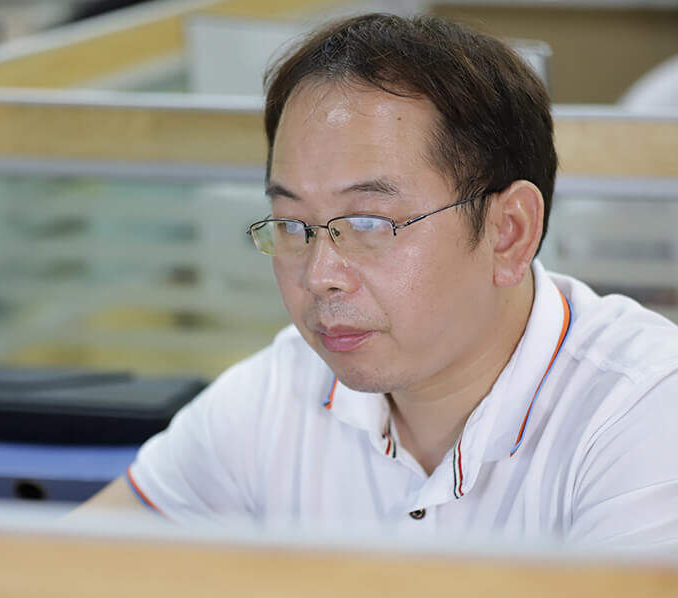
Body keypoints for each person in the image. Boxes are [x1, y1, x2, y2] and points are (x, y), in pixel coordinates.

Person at [73, 13, 678, 547]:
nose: (320, 277)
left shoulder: (641, 411)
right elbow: (67, 576)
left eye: (367, 223)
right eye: (291, 224)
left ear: (509, 232)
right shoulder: (279, 392)